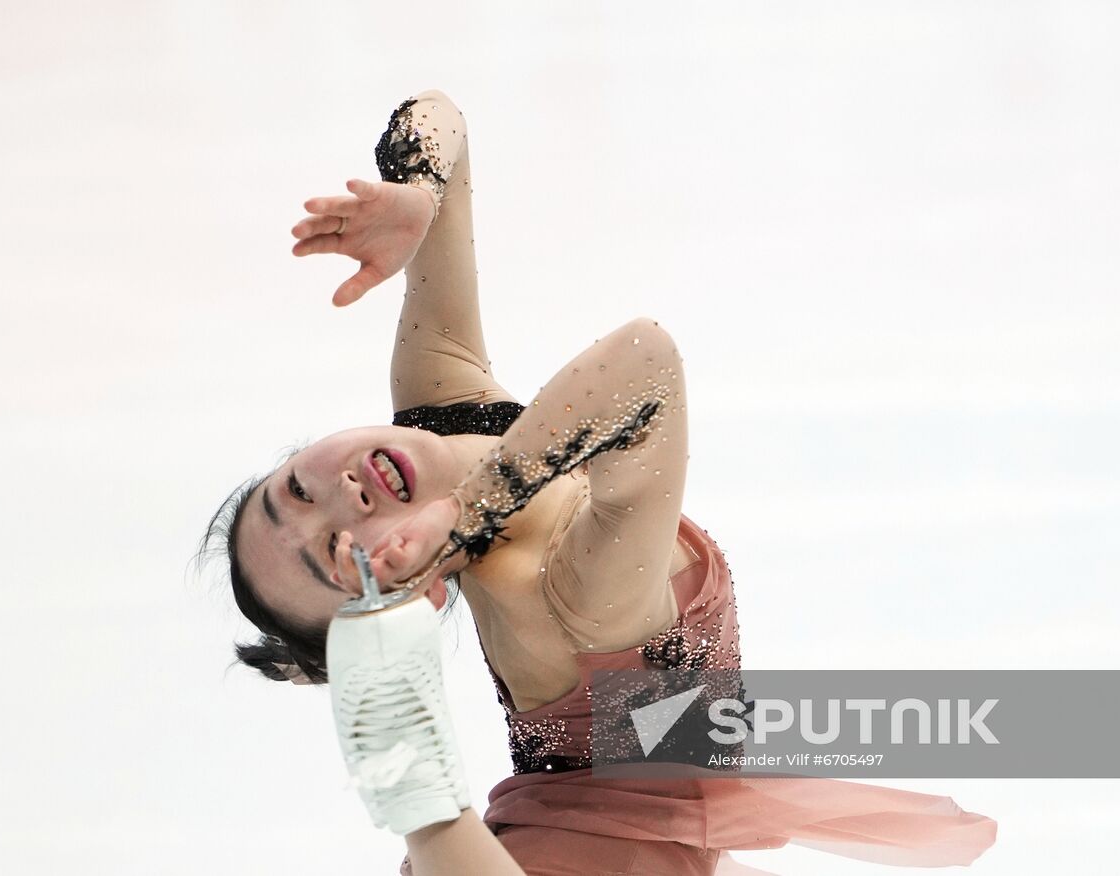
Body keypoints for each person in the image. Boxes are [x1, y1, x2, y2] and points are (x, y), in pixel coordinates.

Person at [203, 88, 998, 875]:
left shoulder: (443, 416)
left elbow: (439, 116)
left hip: (604, 808)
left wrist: (419, 194)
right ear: (411, 598)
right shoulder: (568, 592)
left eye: (298, 492)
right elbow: (645, 363)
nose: (349, 497)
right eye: (341, 550)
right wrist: (464, 516)